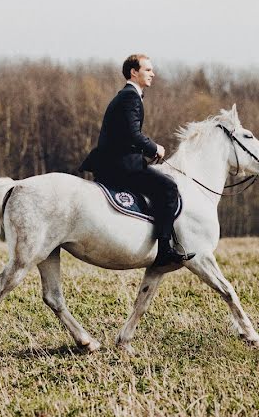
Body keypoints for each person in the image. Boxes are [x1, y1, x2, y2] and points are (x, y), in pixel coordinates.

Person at [80, 54, 192, 267]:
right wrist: (154, 147)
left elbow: (125, 136)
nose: (153, 74)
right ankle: (164, 250)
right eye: (148, 70)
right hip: (120, 166)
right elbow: (132, 134)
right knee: (169, 188)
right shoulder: (130, 97)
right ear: (134, 72)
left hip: (115, 161)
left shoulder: (127, 96)